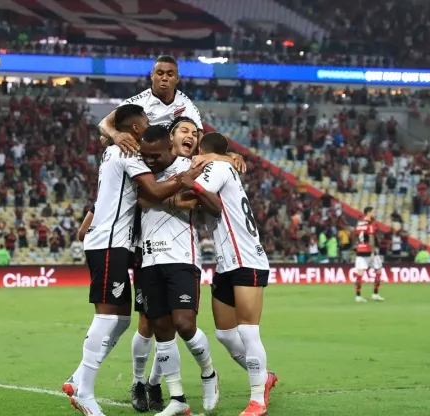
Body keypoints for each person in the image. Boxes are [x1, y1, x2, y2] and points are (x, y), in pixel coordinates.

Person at [62, 104, 195, 416]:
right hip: (110, 243)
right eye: (145, 122)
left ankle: (79, 377)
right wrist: (185, 177)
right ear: (136, 129)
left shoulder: (114, 148)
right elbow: (153, 190)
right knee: (107, 317)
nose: (148, 125)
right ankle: (85, 393)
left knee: (122, 321)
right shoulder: (130, 152)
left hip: (115, 243)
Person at [129, 116, 245, 412]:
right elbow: (140, 200)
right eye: (184, 130)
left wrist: (230, 155)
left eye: (195, 132)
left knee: (184, 324)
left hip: (182, 256)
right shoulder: (144, 167)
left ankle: (208, 373)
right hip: (149, 257)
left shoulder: (196, 167)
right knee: (158, 328)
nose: (190, 136)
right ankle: (175, 397)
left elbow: (198, 202)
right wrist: (170, 195)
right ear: (171, 137)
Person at [190, 132, 278, 416]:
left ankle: (257, 401)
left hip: (246, 259)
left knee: (248, 331)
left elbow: (193, 190)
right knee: (225, 334)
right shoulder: (224, 164)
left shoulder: (218, 167)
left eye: (195, 149)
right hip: (226, 262)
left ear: (204, 150)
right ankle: (264, 376)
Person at [98, 55, 203, 156]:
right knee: (105, 138)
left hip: (172, 162)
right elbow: (104, 124)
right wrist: (115, 135)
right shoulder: (138, 101)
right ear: (152, 76)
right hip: (144, 159)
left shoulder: (186, 104)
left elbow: (199, 137)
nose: (164, 78)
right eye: (160, 73)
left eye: (170, 74)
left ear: (177, 78)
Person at [353, 207, 386, 302]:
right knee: (378, 270)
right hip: (369, 250)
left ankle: (358, 296)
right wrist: (372, 251)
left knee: (360, 274)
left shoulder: (359, 223)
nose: (374, 213)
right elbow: (371, 238)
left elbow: (355, 235)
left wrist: (356, 247)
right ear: (368, 213)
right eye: (373, 211)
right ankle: (375, 294)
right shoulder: (370, 224)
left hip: (360, 250)